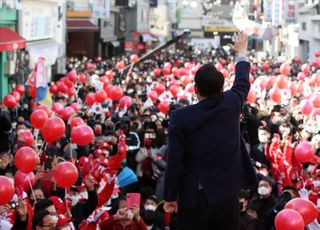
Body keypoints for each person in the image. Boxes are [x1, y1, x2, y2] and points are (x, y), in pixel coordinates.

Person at [163, 32, 257, 230]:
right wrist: (242, 52)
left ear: (195, 89)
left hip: (193, 196)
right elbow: (242, 81)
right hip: (226, 194)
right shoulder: (232, 103)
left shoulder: (180, 117)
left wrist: (170, 197)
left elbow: (174, 161)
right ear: (222, 87)